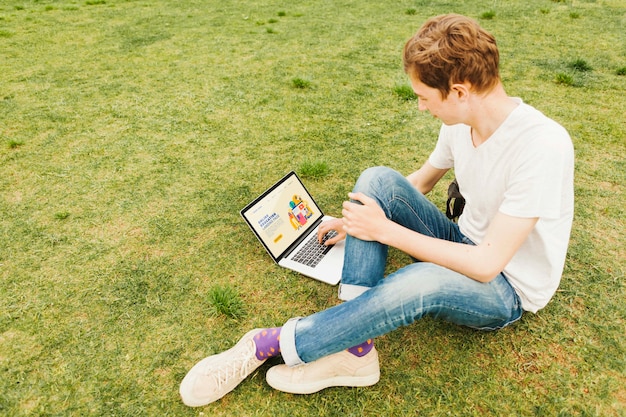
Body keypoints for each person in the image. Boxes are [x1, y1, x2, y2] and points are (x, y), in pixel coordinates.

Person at [179, 13, 574, 407]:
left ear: (458, 92)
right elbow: (419, 181)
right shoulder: (460, 121)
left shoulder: (542, 146)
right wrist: (356, 221)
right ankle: (356, 353)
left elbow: (488, 265)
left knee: (420, 281)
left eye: (424, 97)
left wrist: (384, 230)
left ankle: (268, 342)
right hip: (464, 240)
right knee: (376, 181)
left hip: (506, 287)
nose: (421, 108)